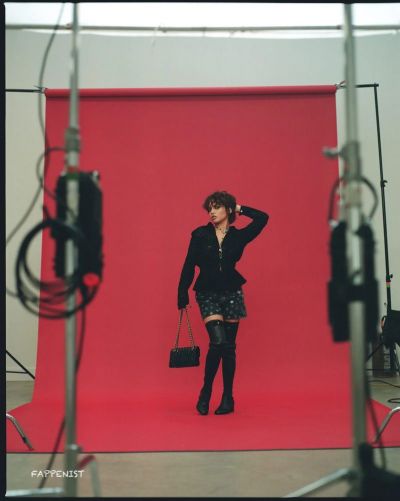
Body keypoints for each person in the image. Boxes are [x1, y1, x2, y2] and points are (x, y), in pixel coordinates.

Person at [177, 191, 269, 415]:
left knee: (229, 348)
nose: (211, 211)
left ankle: (228, 397)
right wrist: (182, 291)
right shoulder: (200, 235)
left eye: (216, 207)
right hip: (207, 292)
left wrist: (237, 207)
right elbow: (189, 264)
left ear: (227, 210)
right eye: (209, 208)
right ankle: (206, 391)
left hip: (232, 292)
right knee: (218, 341)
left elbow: (263, 218)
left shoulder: (238, 236)